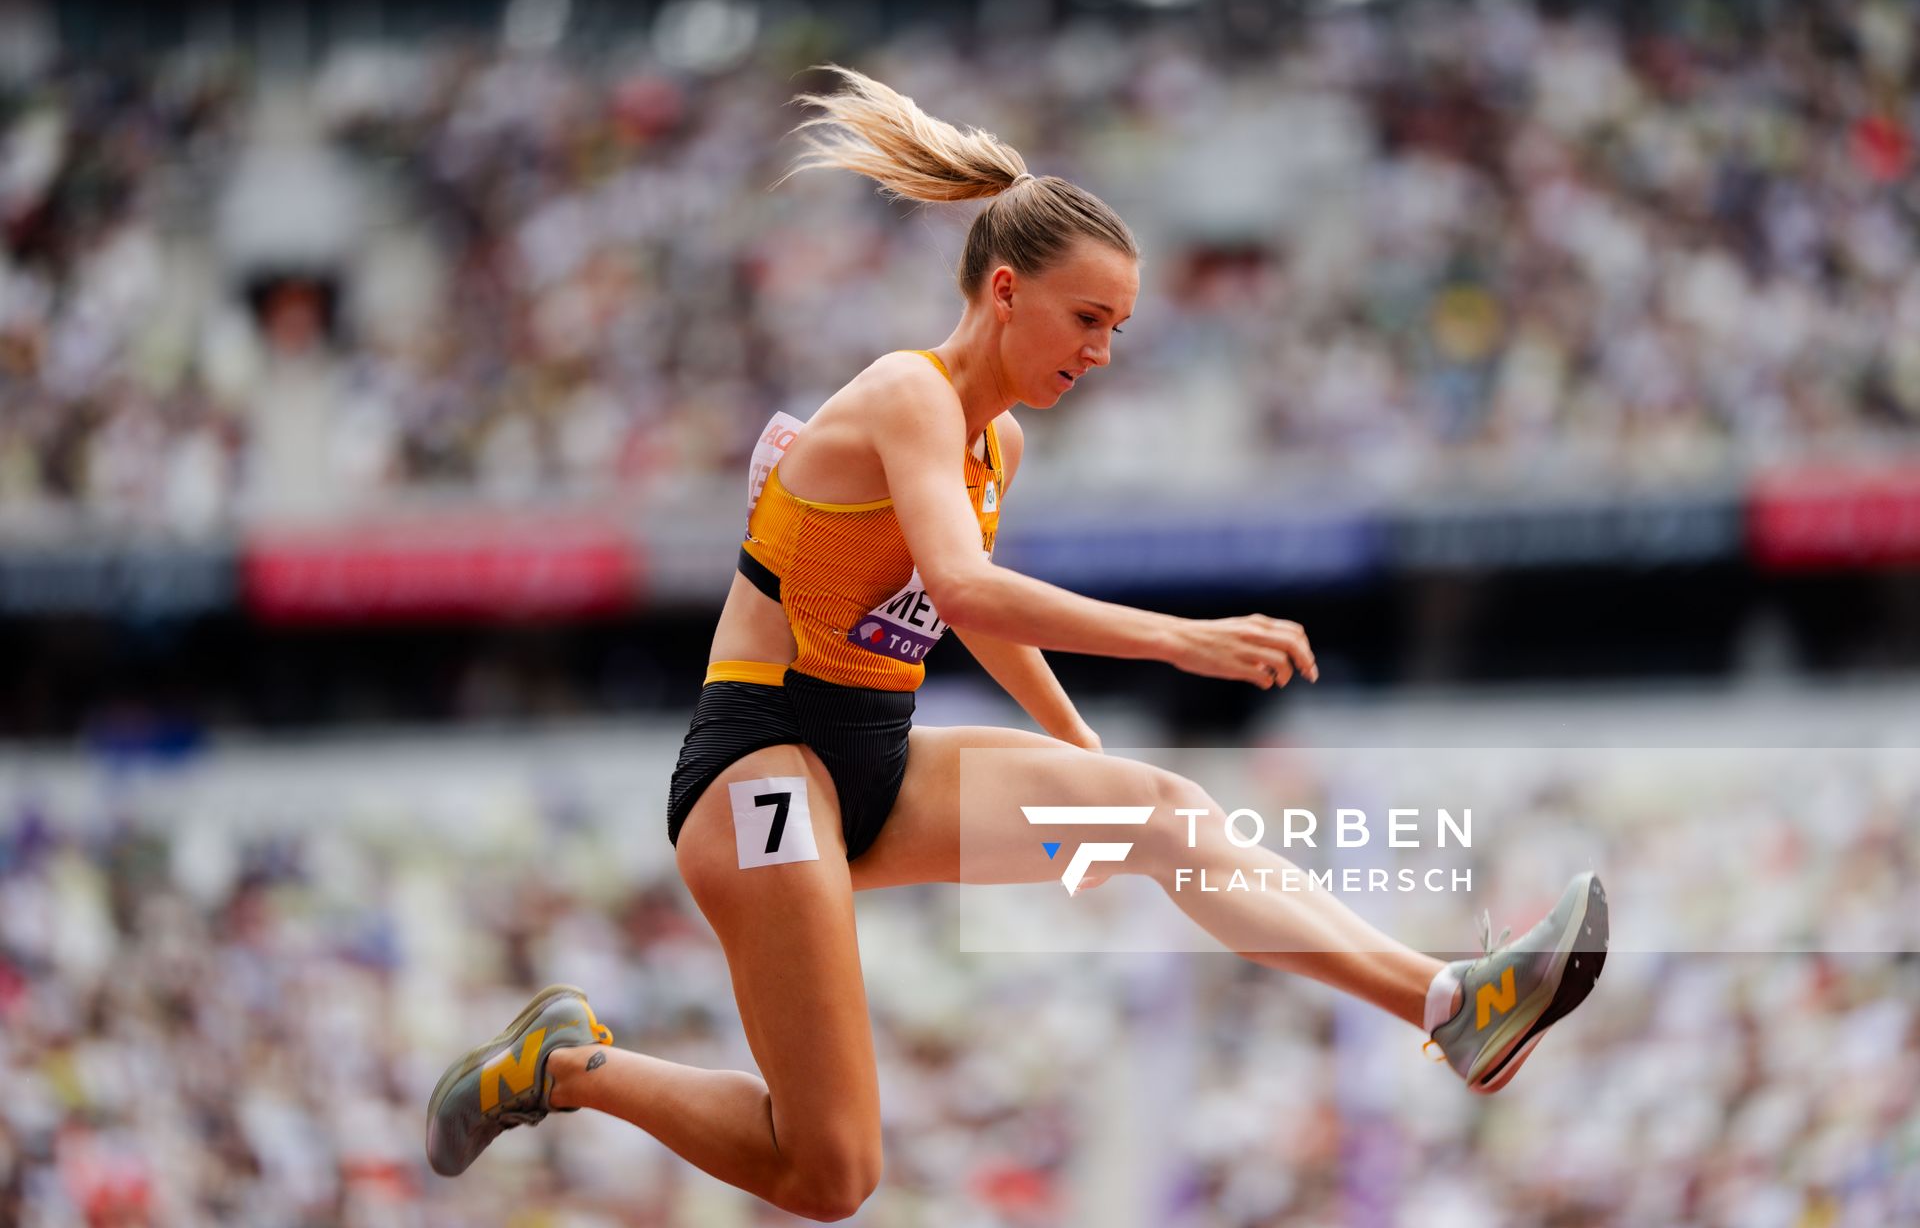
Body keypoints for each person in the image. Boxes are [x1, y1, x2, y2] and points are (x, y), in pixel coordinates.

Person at [425, 66, 1609, 1221]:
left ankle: (1451, 1001)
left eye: (1118, 327)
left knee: (1161, 812)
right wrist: (1178, 638)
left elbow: (960, 615)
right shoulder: (907, 394)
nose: (1102, 352)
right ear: (1004, 291)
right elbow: (965, 584)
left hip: (878, 753)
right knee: (831, 1173)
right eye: (1087, 319)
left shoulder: (997, 445)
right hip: (761, 763)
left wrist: (1080, 751)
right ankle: (563, 1066)